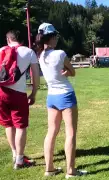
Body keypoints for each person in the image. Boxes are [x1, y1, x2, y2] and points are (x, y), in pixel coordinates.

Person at [35, 23, 86, 178]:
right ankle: (71, 171)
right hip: (65, 95)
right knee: (70, 133)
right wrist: (67, 72)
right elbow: (73, 72)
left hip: (52, 97)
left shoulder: (40, 56)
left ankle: (49, 169)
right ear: (51, 37)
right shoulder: (60, 54)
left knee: (51, 132)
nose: (57, 39)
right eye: (55, 36)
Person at [0, 30, 40, 169]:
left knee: (8, 125)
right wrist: (33, 93)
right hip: (18, 94)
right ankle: (20, 160)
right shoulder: (29, 52)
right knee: (20, 126)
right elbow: (35, 76)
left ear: (8, 39)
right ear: (22, 40)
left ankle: (14, 154)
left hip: (1, 92)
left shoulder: (1, 50)